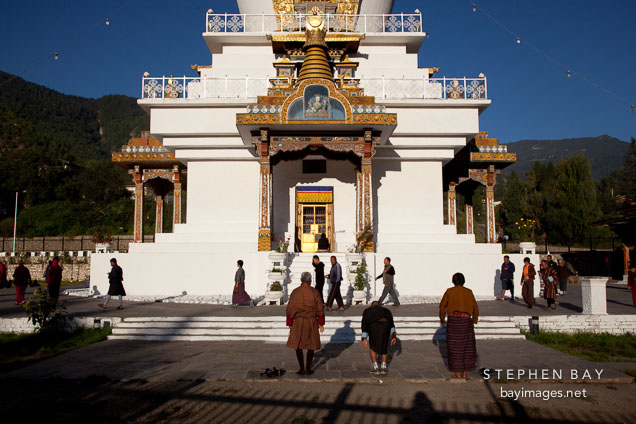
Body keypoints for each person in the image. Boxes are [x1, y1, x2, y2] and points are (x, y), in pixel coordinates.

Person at [439, 272, 479, 380]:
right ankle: (465, 373)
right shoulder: (468, 292)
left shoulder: (449, 291)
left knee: (454, 347)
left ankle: (457, 373)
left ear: (453, 281)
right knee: (466, 347)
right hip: (466, 321)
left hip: (454, 322)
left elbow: (442, 306)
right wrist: (474, 320)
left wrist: (442, 318)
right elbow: (475, 307)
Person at [286, 271, 325, 375]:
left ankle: (301, 368)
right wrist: (321, 323)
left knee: (297, 345)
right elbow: (320, 309)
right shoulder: (314, 292)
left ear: (301, 280)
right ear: (310, 280)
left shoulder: (295, 292)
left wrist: (290, 323)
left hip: (298, 321)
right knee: (311, 345)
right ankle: (308, 368)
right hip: (311, 320)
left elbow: (289, 309)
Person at [361, 300, 397, 375]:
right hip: (385, 327)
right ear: (380, 306)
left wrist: (364, 338)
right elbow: (391, 324)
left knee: (373, 347)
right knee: (384, 347)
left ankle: (375, 367)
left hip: (374, 327)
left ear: (371, 306)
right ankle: (383, 367)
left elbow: (364, 324)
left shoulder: (367, 311)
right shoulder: (386, 310)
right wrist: (393, 336)